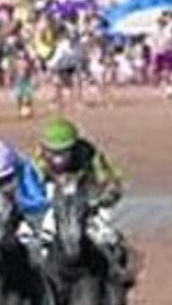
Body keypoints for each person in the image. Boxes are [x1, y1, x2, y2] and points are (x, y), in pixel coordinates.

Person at [33, 117, 135, 287]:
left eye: (64, 152)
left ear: (74, 147)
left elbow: (110, 181)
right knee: (35, 238)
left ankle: (116, 273)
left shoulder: (90, 154)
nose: (58, 159)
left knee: (107, 237)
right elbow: (32, 185)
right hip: (54, 204)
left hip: (88, 202)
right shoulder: (38, 160)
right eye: (53, 152)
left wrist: (104, 197)